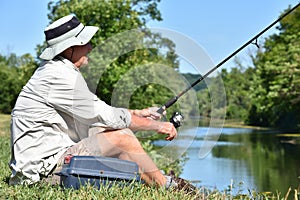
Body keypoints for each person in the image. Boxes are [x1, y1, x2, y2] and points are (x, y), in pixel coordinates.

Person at [9, 14, 179, 189]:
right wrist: (159, 126)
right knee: (122, 139)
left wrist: (138, 113)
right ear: (69, 49)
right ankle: (167, 186)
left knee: (118, 131)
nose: (90, 47)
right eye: (84, 43)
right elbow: (106, 115)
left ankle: (154, 182)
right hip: (40, 174)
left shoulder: (57, 70)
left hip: (47, 161)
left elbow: (99, 111)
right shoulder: (59, 76)